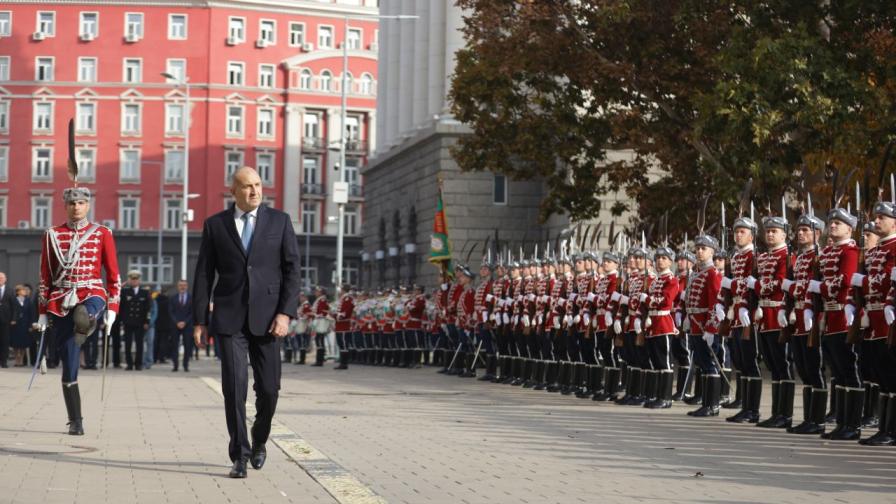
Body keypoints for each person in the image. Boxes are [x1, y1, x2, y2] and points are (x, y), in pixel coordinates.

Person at [192, 166, 301, 478]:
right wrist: (200, 320)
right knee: (234, 387)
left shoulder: (279, 221)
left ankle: (260, 439)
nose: (254, 191)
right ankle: (239, 454)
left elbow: (293, 270)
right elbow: (203, 272)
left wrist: (285, 313)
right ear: (233, 192)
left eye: (257, 184)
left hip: (269, 320)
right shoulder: (215, 225)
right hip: (229, 318)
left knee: (269, 389)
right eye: (247, 186)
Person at [36, 186, 121, 435]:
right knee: (69, 361)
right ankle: (75, 420)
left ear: (88, 205)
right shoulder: (51, 235)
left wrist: (113, 309)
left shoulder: (102, 233)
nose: (77, 207)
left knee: (85, 313)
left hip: (91, 292)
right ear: (65, 206)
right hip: (61, 300)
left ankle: (90, 320)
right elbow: (44, 275)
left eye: (82, 203)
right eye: (72, 203)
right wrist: (42, 311)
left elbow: (113, 274)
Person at [120, 270, 150, 371]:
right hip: (128, 322)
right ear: (129, 280)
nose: (134, 281)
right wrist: (122, 321)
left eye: (136, 279)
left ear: (139, 280)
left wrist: (147, 322)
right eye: (132, 279)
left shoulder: (145, 292)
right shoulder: (125, 291)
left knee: (139, 344)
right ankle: (129, 364)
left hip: (140, 322)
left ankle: (138, 364)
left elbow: (148, 309)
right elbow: (121, 307)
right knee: (127, 344)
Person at [169, 279, 193, 372]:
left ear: (187, 286)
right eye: (180, 285)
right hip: (175, 325)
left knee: (187, 346)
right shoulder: (172, 298)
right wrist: (177, 322)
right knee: (175, 345)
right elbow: (171, 312)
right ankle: (175, 365)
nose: (182, 287)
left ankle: (185, 365)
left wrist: (185, 322)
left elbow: (192, 312)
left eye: (184, 285)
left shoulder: (191, 298)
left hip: (187, 325)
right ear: (177, 287)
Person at [11, 285, 34, 366]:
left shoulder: (28, 300)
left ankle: (21, 360)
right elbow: (11, 311)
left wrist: (31, 325)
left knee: (23, 344)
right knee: (15, 343)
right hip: (15, 325)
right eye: (22, 290)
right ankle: (16, 360)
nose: (25, 291)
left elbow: (31, 313)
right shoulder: (13, 300)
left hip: (25, 324)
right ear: (18, 292)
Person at [0, 271, 13, 368]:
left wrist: (13, 319)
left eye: (2, 278)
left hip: (6, 320)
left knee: (5, 341)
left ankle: (4, 361)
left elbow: (14, 306)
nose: (0, 279)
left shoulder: (10, 290)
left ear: (5, 279)